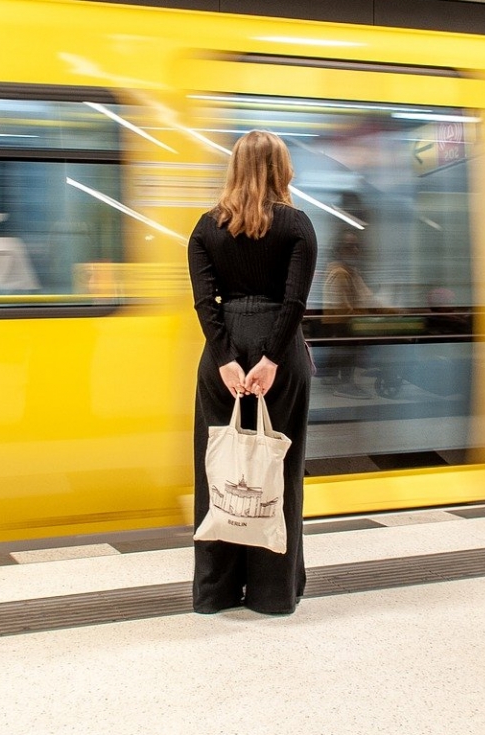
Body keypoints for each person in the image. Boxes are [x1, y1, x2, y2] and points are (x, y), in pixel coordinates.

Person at [187, 130, 317, 615]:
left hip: (220, 360)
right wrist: (272, 360)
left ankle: (215, 592)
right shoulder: (298, 225)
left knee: (218, 471)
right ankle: (271, 593)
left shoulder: (205, 228)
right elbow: (295, 302)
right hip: (279, 354)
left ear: (235, 168)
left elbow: (205, 302)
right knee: (278, 472)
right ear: (282, 169)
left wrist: (225, 359)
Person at [321, 230, 374, 399]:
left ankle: (336, 377)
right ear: (338, 250)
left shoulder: (351, 271)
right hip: (342, 325)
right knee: (349, 343)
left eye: (357, 246)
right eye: (350, 247)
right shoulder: (340, 273)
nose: (356, 250)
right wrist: (368, 313)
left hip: (345, 323)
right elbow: (343, 309)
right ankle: (346, 384)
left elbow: (367, 297)